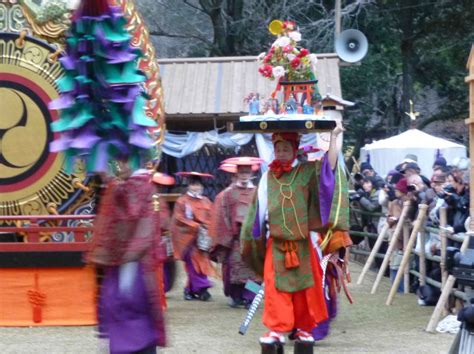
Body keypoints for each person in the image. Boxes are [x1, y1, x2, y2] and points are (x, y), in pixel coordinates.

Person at [240, 124, 349, 347]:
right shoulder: (267, 177)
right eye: (278, 149)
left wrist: (334, 138)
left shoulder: (307, 172)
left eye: (286, 149)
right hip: (276, 243)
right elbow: (258, 211)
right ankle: (276, 330)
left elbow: (329, 171)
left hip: (302, 243)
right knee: (274, 287)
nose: (281, 153)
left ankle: (303, 328)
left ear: (295, 148)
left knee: (305, 288)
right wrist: (253, 238)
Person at [87, 164, 166, 354]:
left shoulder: (140, 186)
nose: (120, 167)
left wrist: (107, 177)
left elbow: (128, 207)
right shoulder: (136, 186)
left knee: (127, 304)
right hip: (128, 261)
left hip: (134, 261)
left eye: (124, 162)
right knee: (122, 305)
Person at [209, 157, 262, 308]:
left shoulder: (258, 192)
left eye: (247, 172)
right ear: (237, 173)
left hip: (253, 239)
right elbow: (223, 215)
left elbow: (263, 212)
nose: (244, 175)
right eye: (241, 172)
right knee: (235, 270)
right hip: (235, 238)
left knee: (254, 271)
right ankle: (237, 296)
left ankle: (251, 297)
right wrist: (229, 235)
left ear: (251, 173)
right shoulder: (228, 194)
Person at [170, 171, 215, 301]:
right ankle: (202, 288)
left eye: (198, 185)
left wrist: (208, 227)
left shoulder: (206, 201)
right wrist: (194, 225)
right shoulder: (182, 201)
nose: (196, 187)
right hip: (188, 238)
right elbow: (178, 218)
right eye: (193, 184)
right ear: (188, 186)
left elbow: (212, 216)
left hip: (202, 237)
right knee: (193, 263)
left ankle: (188, 290)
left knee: (202, 262)